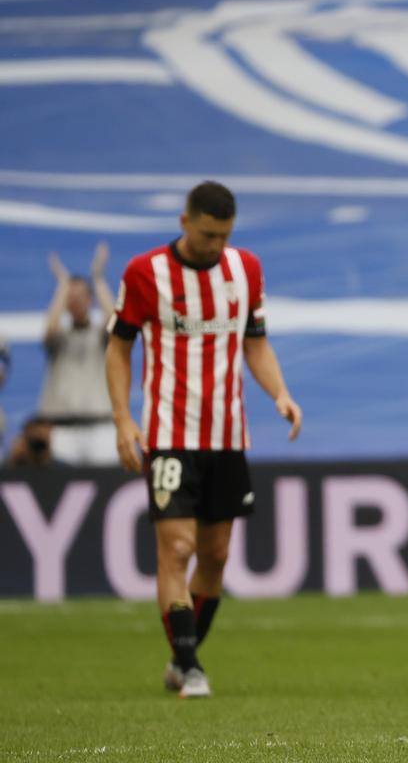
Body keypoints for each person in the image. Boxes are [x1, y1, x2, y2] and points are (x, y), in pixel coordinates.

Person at [105, 180, 302, 699]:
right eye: (208, 234)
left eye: (224, 236)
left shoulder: (246, 270)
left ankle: (180, 659)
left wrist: (279, 393)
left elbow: (256, 344)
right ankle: (192, 669)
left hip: (227, 435)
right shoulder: (144, 273)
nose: (216, 246)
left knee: (214, 556)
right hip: (170, 434)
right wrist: (124, 420)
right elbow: (118, 348)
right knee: (178, 546)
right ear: (183, 221)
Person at [39, 243, 118, 465]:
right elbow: (50, 329)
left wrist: (98, 278)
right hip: (61, 430)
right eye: (70, 297)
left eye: (81, 295)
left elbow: (114, 322)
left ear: (90, 299)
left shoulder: (100, 336)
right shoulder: (59, 338)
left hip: (101, 429)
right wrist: (62, 285)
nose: (75, 301)